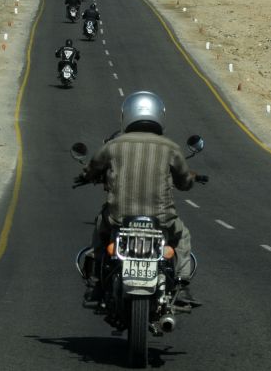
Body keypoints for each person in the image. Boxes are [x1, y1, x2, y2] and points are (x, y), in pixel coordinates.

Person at [74, 91, 204, 305]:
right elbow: (184, 182)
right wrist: (189, 181)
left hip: (118, 218)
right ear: (159, 115)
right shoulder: (170, 148)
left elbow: (93, 168)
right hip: (161, 220)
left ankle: (96, 279)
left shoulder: (114, 145)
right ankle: (181, 285)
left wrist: (85, 176)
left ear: (127, 115)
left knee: (100, 228)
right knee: (183, 236)